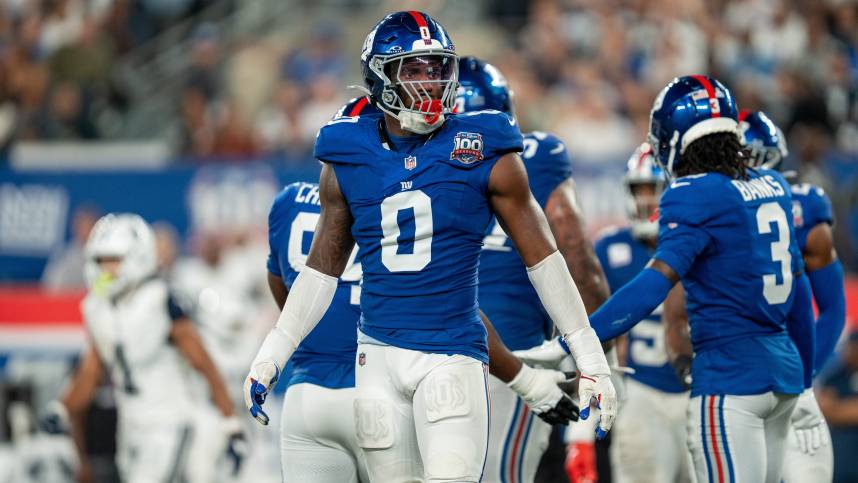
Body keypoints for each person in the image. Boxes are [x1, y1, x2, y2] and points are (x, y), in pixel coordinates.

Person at [245, 11, 616, 483]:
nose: (432, 82)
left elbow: (544, 260)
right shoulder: (347, 150)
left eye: (438, 68)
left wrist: (591, 361)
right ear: (380, 77)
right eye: (415, 70)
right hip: (375, 357)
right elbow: (321, 272)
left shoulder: (483, 144)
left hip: (451, 353)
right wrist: (273, 353)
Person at [265, 97, 579, 483]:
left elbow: (289, 294)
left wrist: (281, 350)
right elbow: (446, 306)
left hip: (308, 394)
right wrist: (527, 381)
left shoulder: (287, 206)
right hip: (380, 385)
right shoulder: (398, 199)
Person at [582, 75, 814, 483]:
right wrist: (806, 380)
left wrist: (582, 334)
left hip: (730, 379)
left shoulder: (691, 193)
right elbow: (800, 293)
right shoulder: (774, 184)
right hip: (784, 378)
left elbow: (656, 281)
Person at [455, 56, 612, 483]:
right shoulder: (536, 155)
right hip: (518, 359)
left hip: (423, 355)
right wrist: (600, 352)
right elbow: (577, 255)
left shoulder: (410, 163)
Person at [48, 213, 244, 483]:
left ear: (137, 257)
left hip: (170, 422)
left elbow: (205, 365)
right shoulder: (97, 307)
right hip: (129, 426)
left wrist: (231, 424)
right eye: (100, 260)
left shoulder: (161, 301)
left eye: (114, 259)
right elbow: (90, 373)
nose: (106, 269)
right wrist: (61, 408)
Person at [737, 110, 846, 482]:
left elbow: (832, 308)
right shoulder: (711, 211)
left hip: (785, 377)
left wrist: (803, 378)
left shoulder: (804, 208)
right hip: (736, 383)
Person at [592, 142, 692, 483]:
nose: (647, 199)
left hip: (699, 388)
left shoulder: (701, 243)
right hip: (640, 392)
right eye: (640, 190)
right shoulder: (611, 249)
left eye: (655, 189)